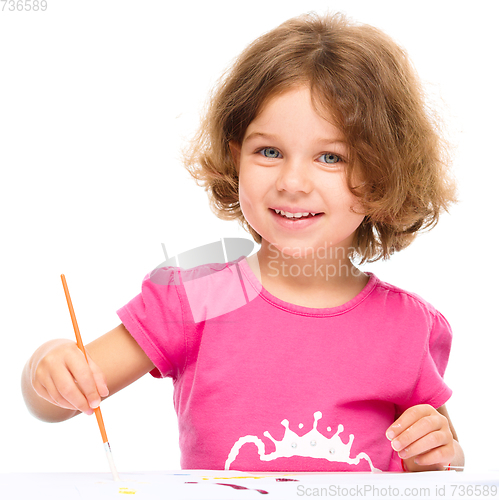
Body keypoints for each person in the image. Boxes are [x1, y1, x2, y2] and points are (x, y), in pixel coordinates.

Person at [21, 12, 464, 472]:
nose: (292, 181)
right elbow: (56, 402)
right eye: (268, 151)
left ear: (381, 174)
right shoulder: (203, 297)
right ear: (236, 158)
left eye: (330, 157)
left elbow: (442, 458)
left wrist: (439, 455)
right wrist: (48, 365)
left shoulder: (406, 326)